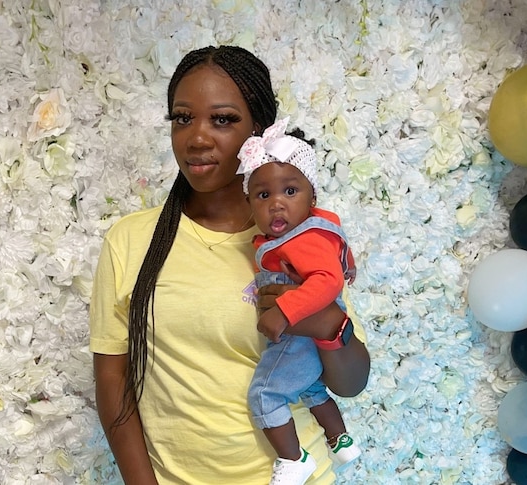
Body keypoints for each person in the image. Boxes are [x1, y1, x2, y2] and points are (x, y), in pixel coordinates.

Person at [89, 45, 370, 485]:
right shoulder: (130, 241)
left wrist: (331, 325)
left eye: (222, 119)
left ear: (259, 133)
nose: (197, 137)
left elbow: (350, 384)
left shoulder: (300, 241)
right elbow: (112, 378)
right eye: (183, 118)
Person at [239, 117, 361, 484]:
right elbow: (336, 255)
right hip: (311, 337)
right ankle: (341, 440)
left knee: (264, 394)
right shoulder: (318, 229)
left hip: (300, 329)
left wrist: (284, 312)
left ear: (313, 197)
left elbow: (327, 278)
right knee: (309, 387)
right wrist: (349, 262)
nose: (277, 204)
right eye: (263, 196)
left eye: (290, 192)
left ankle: (294, 459)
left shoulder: (300, 238)